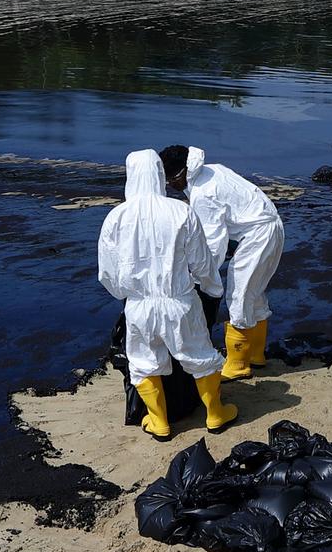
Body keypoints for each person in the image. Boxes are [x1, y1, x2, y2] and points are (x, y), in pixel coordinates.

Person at [98, 150, 237, 440]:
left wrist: (126, 295)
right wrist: (213, 289)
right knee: (199, 355)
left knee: (143, 361)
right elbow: (201, 261)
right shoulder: (181, 211)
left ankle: (159, 421)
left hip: (139, 305)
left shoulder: (116, 218)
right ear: (161, 175)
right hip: (180, 302)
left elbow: (107, 272)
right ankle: (215, 415)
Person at [159, 145, 284, 380]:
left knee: (239, 295)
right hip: (266, 228)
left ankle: (237, 365)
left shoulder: (203, 194)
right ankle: (256, 355)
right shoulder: (211, 170)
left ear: (181, 174)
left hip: (258, 235)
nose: (171, 188)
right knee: (253, 294)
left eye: (170, 181)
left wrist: (200, 279)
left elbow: (213, 245)